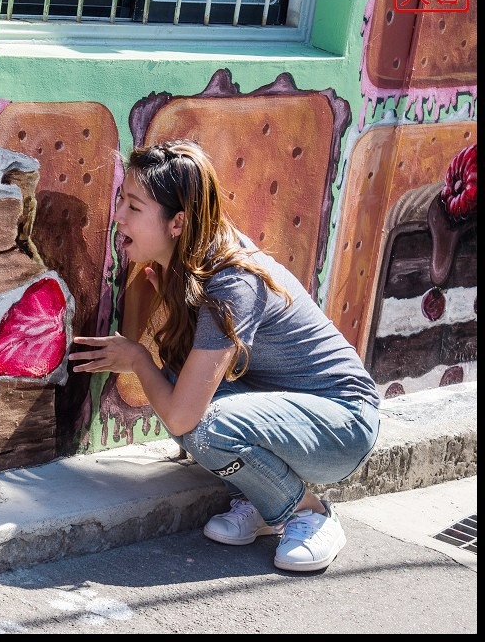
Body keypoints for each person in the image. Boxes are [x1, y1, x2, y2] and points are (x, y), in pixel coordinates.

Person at [69, 139, 381, 572]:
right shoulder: (184, 266)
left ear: (177, 223)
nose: (118, 216)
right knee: (180, 389)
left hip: (342, 422)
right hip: (281, 406)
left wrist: (139, 359)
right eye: (122, 200)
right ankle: (264, 496)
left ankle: (309, 512)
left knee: (203, 425)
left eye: (134, 208)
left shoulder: (229, 282)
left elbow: (182, 417)